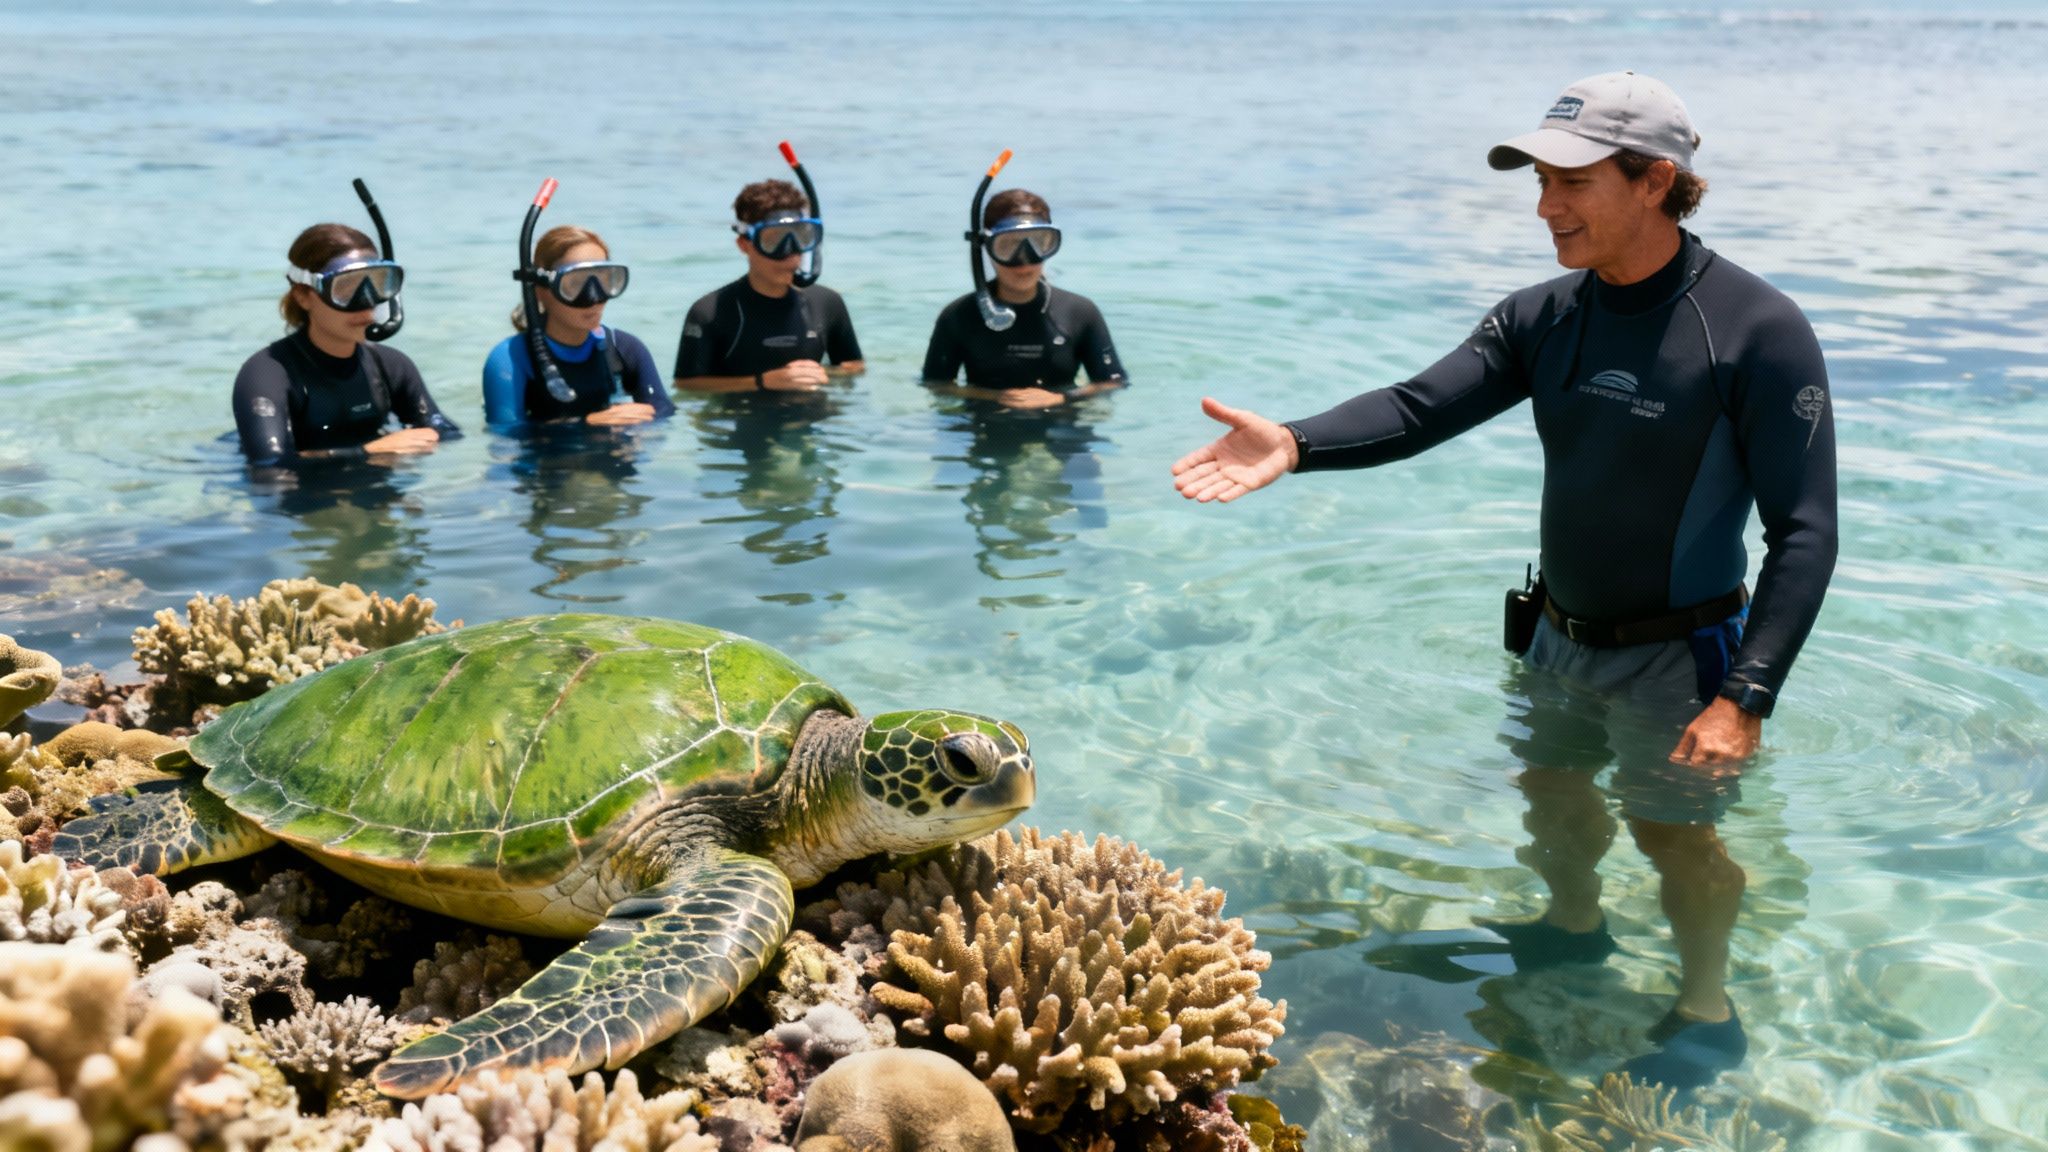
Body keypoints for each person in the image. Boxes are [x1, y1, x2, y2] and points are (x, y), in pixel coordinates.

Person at [1172, 72, 1838, 1089]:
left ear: (1655, 179)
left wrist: (1742, 697)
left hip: (1681, 653)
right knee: (1549, 789)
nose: (1543, 207)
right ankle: (1571, 929)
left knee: (1672, 836)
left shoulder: (1752, 329)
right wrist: (1294, 444)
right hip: (1554, 632)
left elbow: (1805, 532)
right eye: (1537, 180)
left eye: (1569, 182)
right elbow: (1415, 407)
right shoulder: (1542, 315)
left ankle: (1706, 1006)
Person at [233, 224, 461, 466]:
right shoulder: (266, 374)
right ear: (303, 296)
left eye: (377, 283)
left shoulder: (391, 366)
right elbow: (269, 467)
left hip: (372, 492)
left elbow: (447, 432)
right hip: (304, 498)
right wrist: (370, 452)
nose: (365, 302)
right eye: (345, 288)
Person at [923, 189, 1128, 409]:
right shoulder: (958, 315)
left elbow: (1114, 382)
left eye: (1038, 243)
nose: (1024, 260)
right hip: (989, 429)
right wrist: (995, 398)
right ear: (988, 247)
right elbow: (936, 384)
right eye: (1008, 245)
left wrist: (1060, 399)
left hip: (1064, 431)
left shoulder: (1080, 312)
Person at [673, 180, 863, 394]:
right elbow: (686, 384)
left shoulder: (827, 303)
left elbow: (855, 367)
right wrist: (761, 382)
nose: (790, 254)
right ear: (744, 245)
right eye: (774, 241)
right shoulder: (709, 311)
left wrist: (822, 373)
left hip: (815, 421)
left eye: (801, 237)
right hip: (743, 421)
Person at [483, 225, 673, 429]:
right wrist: (587, 423)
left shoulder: (625, 348)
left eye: (605, 281)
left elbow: (665, 411)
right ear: (540, 290)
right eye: (575, 284)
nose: (594, 297)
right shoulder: (510, 359)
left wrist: (647, 421)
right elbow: (505, 438)